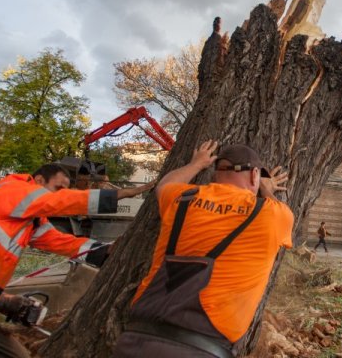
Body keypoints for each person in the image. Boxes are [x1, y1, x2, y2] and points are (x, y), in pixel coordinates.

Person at [113, 141, 294, 358]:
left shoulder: (182, 198)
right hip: (203, 349)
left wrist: (196, 164)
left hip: (136, 341)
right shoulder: (273, 215)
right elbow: (279, 210)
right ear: (255, 175)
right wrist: (266, 186)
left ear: (216, 172)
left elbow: (164, 185)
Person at [0, 163, 152, 358]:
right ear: (39, 181)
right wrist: (120, 194)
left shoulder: (31, 220)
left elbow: (62, 242)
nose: (62, 194)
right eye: (58, 189)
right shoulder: (13, 189)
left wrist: (105, 251)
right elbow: (58, 202)